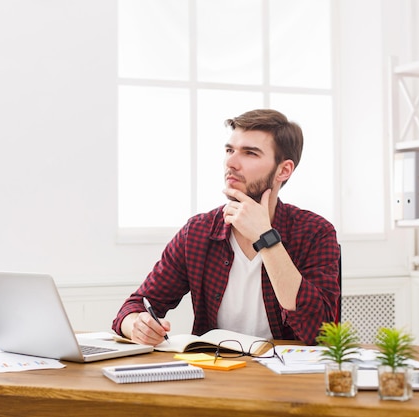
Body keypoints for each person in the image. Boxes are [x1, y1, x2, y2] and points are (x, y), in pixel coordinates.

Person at [112, 109, 340, 346]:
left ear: (283, 170)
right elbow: (135, 306)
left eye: (250, 153)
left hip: (287, 377)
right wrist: (136, 326)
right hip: (215, 373)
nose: (231, 163)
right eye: (230, 150)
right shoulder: (198, 232)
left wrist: (266, 237)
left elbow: (319, 332)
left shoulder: (316, 232)